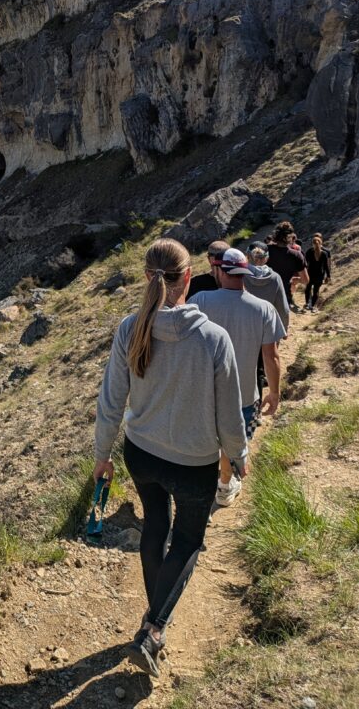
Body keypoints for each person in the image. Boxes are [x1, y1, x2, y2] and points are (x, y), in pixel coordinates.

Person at [95, 238, 248, 678]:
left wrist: (102, 455)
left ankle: (153, 615)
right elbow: (228, 410)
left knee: (155, 527)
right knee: (186, 540)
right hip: (194, 463)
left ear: (148, 278)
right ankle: (155, 628)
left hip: (141, 453)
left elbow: (111, 401)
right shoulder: (213, 339)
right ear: (189, 278)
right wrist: (236, 456)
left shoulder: (131, 328)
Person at [190, 248, 284, 506]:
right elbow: (271, 357)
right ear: (245, 272)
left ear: (219, 270)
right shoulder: (263, 309)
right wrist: (274, 392)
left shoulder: (199, 301)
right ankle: (224, 483)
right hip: (244, 393)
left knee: (210, 440)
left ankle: (208, 484)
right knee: (233, 440)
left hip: (205, 392)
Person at [245, 240, 289, 394]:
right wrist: (283, 329)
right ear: (266, 258)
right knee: (261, 367)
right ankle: (257, 407)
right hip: (265, 330)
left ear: (247, 256)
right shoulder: (275, 278)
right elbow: (283, 308)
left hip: (243, 327)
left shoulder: (240, 275)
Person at [266, 221, 308, 312]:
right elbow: (305, 280)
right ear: (290, 237)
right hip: (284, 296)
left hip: (264, 294)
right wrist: (295, 280)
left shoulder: (266, 250)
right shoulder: (297, 255)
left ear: (275, 235)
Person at [305, 233, 331, 311]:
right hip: (320, 275)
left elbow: (305, 263)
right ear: (321, 243)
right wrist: (328, 276)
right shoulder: (324, 253)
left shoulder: (309, 251)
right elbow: (326, 266)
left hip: (310, 273)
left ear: (312, 243)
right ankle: (313, 306)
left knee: (308, 289)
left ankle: (307, 304)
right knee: (316, 291)